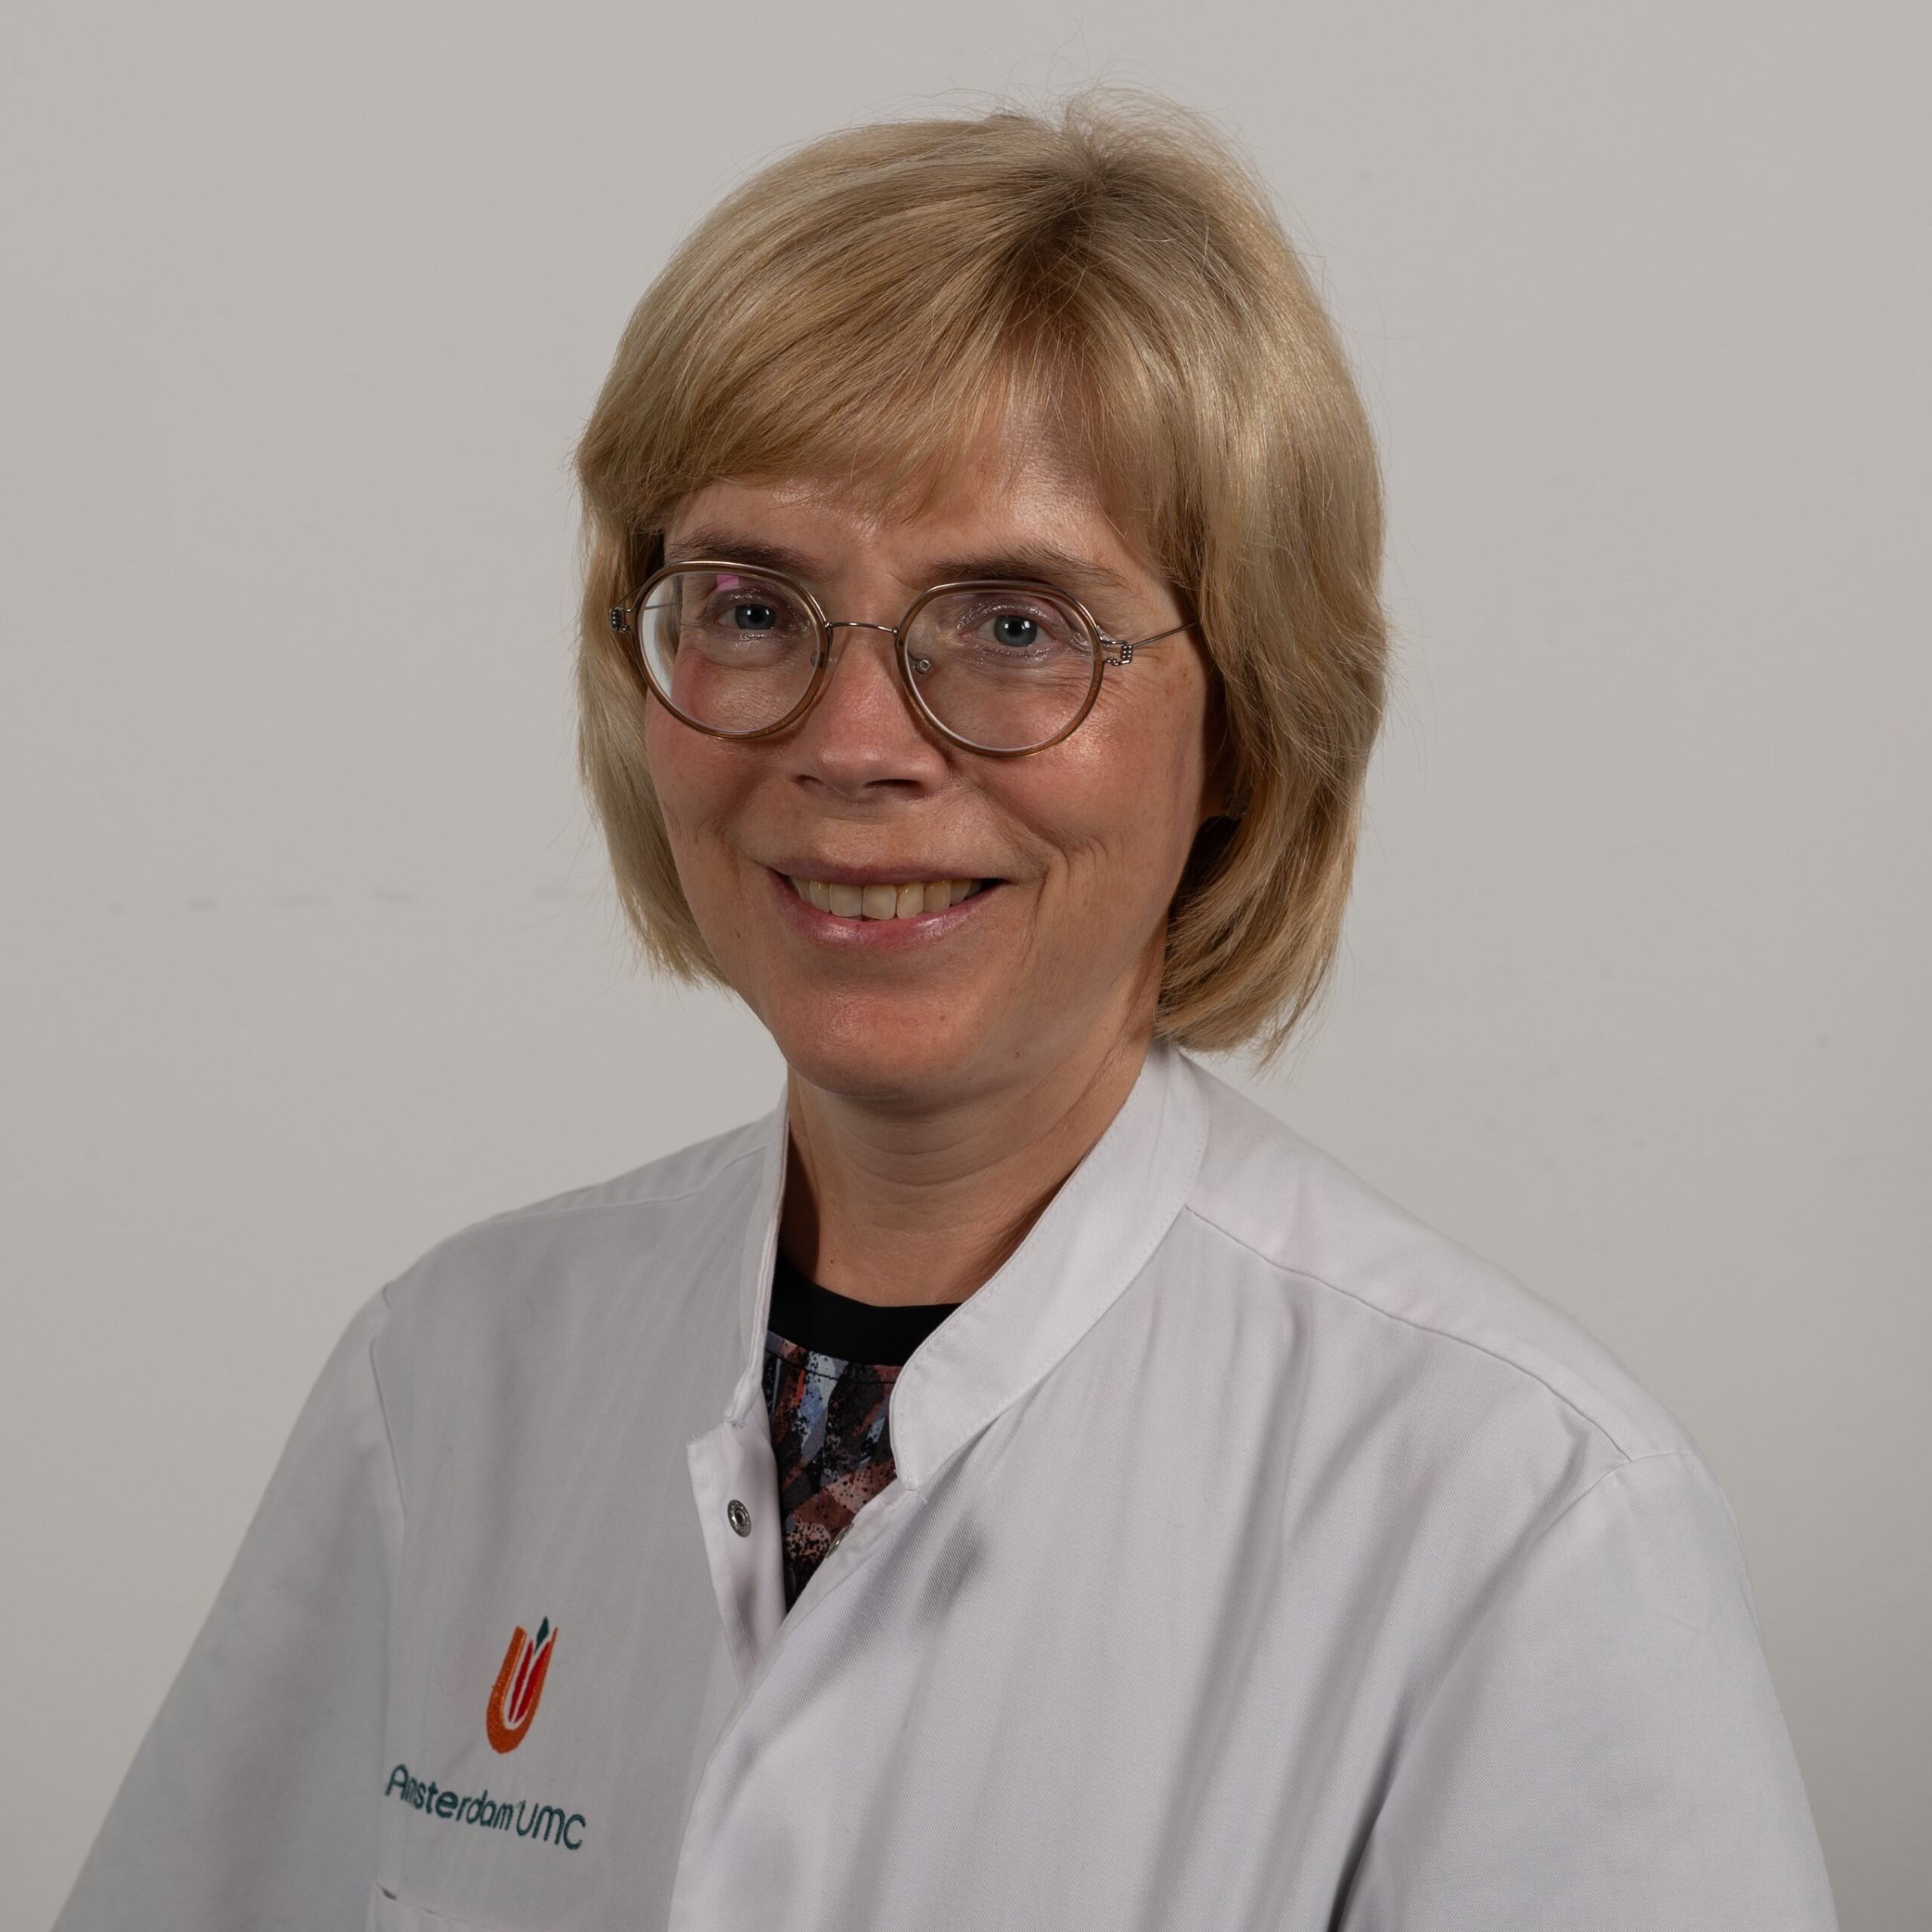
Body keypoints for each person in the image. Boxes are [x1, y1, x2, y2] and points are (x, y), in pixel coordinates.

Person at [57, 89, 1838, 1932]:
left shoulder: (1513, 1513)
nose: (850, 747)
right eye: (752, 605)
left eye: (1010, 625)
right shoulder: (451, 1379)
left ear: (1245, 719)